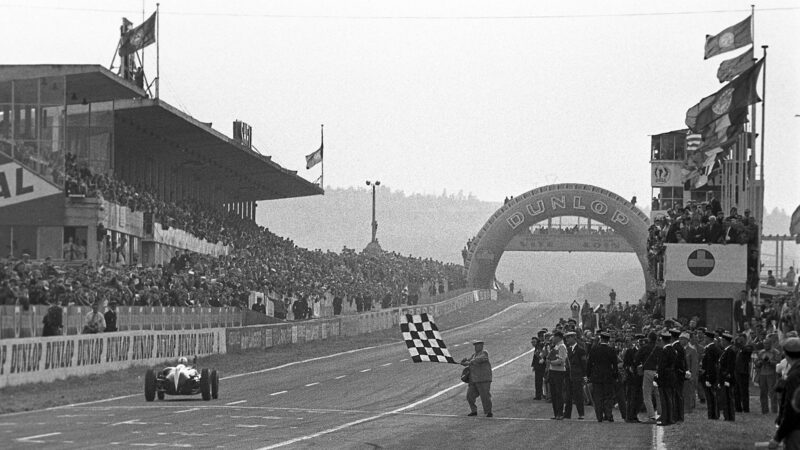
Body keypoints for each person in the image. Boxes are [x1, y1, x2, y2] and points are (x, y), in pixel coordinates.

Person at [769, 337, 800, 449]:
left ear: (786, 354)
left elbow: (791, 410)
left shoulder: (794, 376)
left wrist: (778, 437)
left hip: (796, 430)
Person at [586, 331, 618, 422]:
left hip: (596, 375)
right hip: (608, 375)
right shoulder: (611, 350)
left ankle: (599, 416)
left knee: (598, 396)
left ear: (601, 339)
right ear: (608, 340)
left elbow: (589, 363)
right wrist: (615, 376)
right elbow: (614, 364)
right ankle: (608, 415)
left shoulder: (594, 349)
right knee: (608, 396)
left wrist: (588, 375)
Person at [461, 340, 493, 417]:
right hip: (474, 380)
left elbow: (480, 359)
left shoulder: (484, 353)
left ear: (481, 346)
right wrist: (464, 362)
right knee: (469, 396)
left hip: (483, 379)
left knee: (485, 396)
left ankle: (489, 412)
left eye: (477, 345)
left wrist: (470, 362)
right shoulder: (473, 355)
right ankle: (474, 411)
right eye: (475, 346)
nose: (476, 347)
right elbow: (468, 362)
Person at [636, 331, 660, 424]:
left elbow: (637, 358)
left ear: (649, 338)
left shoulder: (645, 347)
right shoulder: (659, 348)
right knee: (658, 394)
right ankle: (661, 414)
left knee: (647, 394)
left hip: (648, 371)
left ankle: (651, 416)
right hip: (658, 371)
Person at [563, 331, 586, 420]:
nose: (567, 339)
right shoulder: (567, 350)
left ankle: (581, 413)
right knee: (568, 395)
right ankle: (567, 414)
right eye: (567, 338)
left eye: (569, 337)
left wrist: (584, 376)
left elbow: (584, 364)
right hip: (568, 375)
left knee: (578, 395)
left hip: (577, 375)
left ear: (574, 338)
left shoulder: (580, 350)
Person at [655, 331, 677, 426]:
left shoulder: (664, 351)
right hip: (671, 376)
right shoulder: (673, 350)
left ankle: (665, 418)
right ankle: (670, 418)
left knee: (664, 399)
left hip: (664, 377)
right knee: (669, 398)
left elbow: (662, 366)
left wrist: (658, 376)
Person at [757, 335, 781, 414]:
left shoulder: (775, 352)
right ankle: (764, 410)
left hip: (771, 373)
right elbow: (756, 362)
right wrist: (759, 363)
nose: (765, 345)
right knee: (763, 392)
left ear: (770, 344)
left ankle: (774, 410)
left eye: (767, 344)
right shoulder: (761, 352)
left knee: (772, 393)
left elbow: (778, 363)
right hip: (762, 373)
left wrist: (770, 362)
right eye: (764, 344)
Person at [547, 331, 568, 420]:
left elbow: (561, 361)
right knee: (554, 394)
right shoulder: (555, 346)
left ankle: (560, 413)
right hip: (552, 371)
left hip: (559, 372)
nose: (553, 339)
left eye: (554, 337)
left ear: (558, 337)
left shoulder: (562, 347)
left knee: (559, 393)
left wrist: (551, 362)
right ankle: (556, 413)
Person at [717, 332, 737, 421]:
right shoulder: (726, 351)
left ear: (725, 341)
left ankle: (729, 416)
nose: (721, 342)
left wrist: (726, 377)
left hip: (727, 378)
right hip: (724, 377)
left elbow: (730, 366)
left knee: (728, 398)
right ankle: (727, 415)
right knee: (725, 398)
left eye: (722, 340)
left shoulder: (730, 351)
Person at [734, 333, 754, 413]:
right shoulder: (738, 348)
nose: (740, 341)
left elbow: (746, 349)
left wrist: (738, 342)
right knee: (736, 391)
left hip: (744, 372)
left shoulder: (749, 346)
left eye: (742, 340)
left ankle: (746, 408)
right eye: (739, 339)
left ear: (745, 339)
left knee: (744, 391)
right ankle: (738, 408)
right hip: (737, 371)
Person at [680, 332, 699, 413]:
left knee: (688, 392)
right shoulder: (679, 349)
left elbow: (694, 365)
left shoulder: (692, 350)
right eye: (680, 339)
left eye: (682, 339)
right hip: (680, 374)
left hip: (688, 374)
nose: (680, 341)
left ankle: (688, 408)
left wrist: (693, 376)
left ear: (687, 340)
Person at [531, 335, 547, 400]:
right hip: (538, 367)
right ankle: (540, 394)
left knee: (539, 381)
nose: (532, 343)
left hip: (541, 367)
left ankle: (539, 395)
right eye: (532, 342)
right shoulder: (537, 347)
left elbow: (540, 356)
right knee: (539, 382)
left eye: (534, 342)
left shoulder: (539, 347)